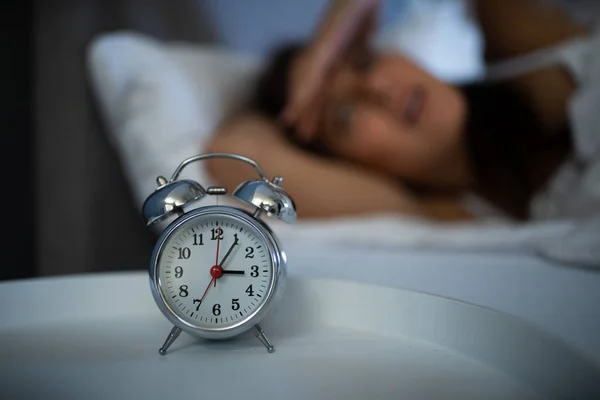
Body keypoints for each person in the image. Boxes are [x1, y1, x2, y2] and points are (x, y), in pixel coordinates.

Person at [205, 0, 599, 223]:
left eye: (365, 63)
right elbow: (232, 149)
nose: (376, 89)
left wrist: (342, 17)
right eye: (344, 117)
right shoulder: (447, 218)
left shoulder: (516, 43)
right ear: (349, 168)